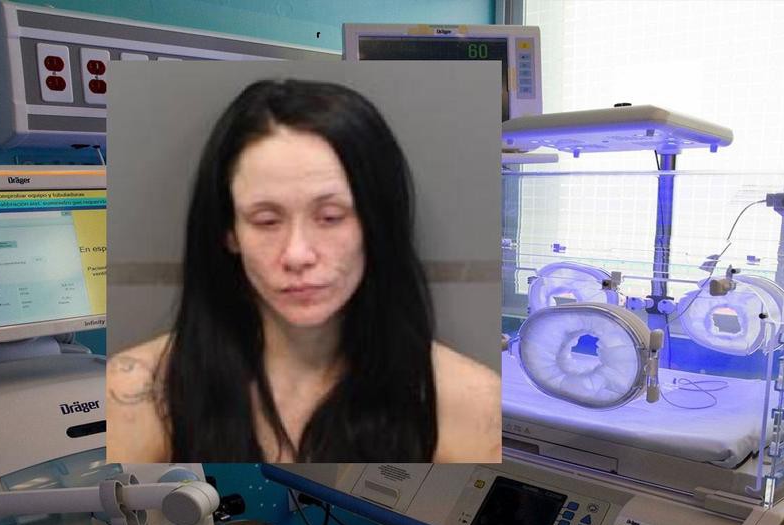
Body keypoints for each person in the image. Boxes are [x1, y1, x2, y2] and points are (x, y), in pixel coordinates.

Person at [106, 79, 501, 463]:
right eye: (266, 221)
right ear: (230, 232)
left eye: (330, 217)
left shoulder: (470, 402)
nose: (297, 254)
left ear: (376, 222)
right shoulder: (139, 392)